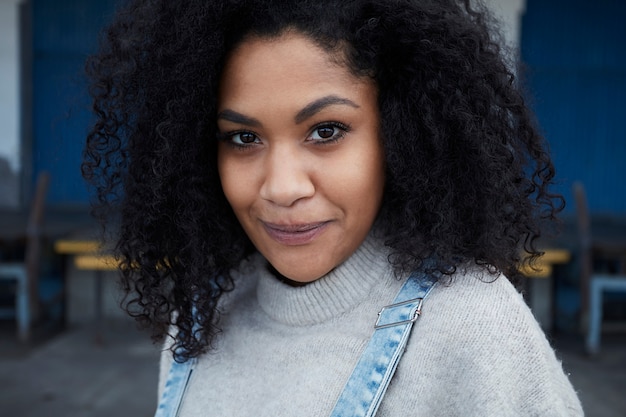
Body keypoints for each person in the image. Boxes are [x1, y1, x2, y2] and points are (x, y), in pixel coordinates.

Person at [82, 0, 584, 415]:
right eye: (243, 137)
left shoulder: (471, 327)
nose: (281, 188)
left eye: (326, 131)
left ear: (399, 132)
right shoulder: (198, 319)